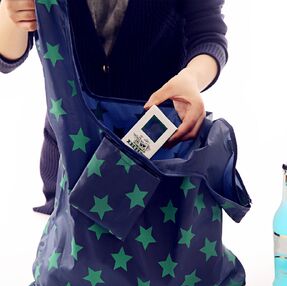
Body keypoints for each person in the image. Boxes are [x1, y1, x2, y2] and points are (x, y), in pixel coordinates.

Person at [0, 0, 228, 215]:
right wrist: (11, 12)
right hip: (70, 171)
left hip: (160, 167)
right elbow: (8, 57)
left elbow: (208, 34)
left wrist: (192, 78)